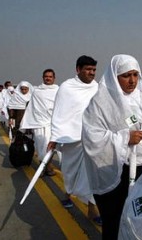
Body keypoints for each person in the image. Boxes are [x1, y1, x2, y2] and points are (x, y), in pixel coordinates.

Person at [81, 54, 142, 240]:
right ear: (114, 76)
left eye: (135, 74)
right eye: (126, 75)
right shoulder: (101, 103)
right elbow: (92, 138)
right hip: (119, 173)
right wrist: (125, 138)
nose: (132, 80)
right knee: (116, 220)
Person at [46, 55, 100, 221]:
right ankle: (67, 194)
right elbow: (59, 113)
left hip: (91, 138)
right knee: (70, 171)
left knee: (92, 174)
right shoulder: (67, 87)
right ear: (78, 69)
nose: (92, 73)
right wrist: (54, 137)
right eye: (88, 69)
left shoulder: (97, 87)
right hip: (71, 138)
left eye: (94, 70)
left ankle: (93, 207)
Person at [20, 69, 60, 176]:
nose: (48, 78)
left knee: (50, 146)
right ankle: (43, 167)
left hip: (53, 123)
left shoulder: (59, 90)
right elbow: (31, 108)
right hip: (38, 123)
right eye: (46, 76)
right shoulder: (37, 91)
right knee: (41, 146)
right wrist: (28, 123)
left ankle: (46, 167)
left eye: (50, 77)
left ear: (54, 78)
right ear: (43, 78)